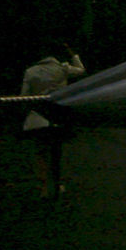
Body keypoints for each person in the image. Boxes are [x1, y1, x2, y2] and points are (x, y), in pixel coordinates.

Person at [20, 42, 86, 199]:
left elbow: (24, 95)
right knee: (56, 151)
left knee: (40, 150)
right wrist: (73, 54)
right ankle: (57, 183)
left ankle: (43, 185)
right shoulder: (62, 68)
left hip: (39, 113)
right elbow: (82, 70)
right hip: (58, 112)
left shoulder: (31, 71)